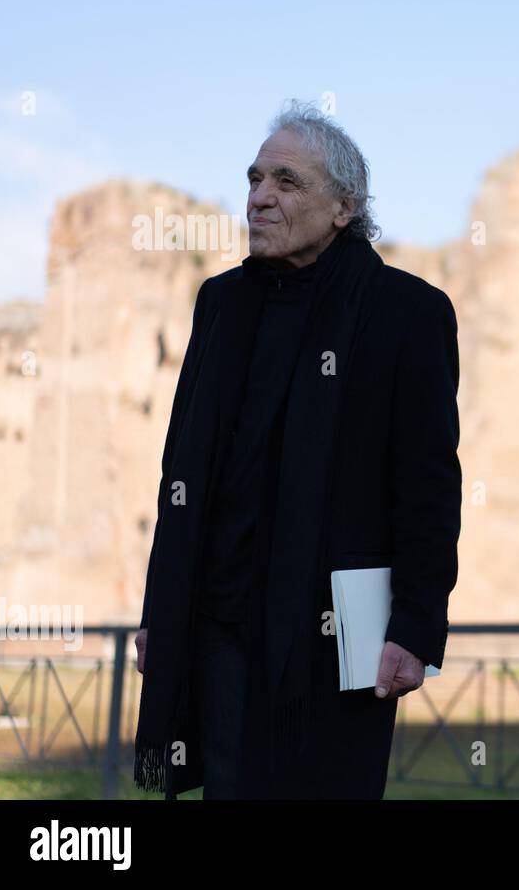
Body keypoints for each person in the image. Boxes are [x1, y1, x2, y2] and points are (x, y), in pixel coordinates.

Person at [132, 101, 461, 799]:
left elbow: (428, 489)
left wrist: (414, 627)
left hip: (340, 635)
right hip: (220, 626)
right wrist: (161, 614)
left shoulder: (407, 312)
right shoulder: (220, 303)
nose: (259, 197)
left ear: (344, 207)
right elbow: (180, 477)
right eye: (254, 179)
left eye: (285, 181)